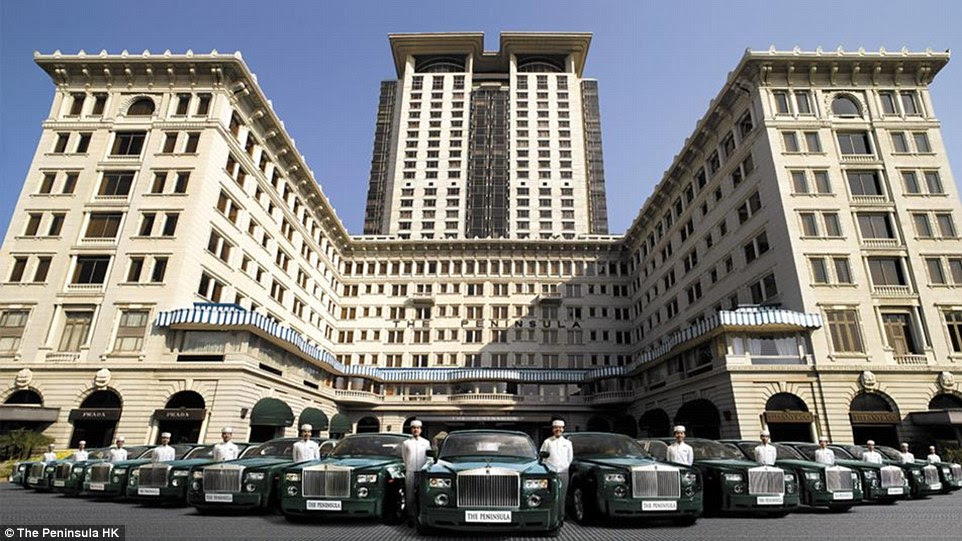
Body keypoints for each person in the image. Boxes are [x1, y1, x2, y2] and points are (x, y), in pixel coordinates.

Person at [540, 419, 573, 519]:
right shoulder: (547, 442)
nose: (558, 429)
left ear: (563, 429)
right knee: (550, 495)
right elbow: (542, 457)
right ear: (553, 429)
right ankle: (550, 516)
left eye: (560, 428)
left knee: (562, 495)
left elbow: (570, 458)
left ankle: (561, 516)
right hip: (550, 473)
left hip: (563, 472)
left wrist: (564, 466)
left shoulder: (567, 443)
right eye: (556, 428)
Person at [401, 420, 431, 522]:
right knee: (409, 495)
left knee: (422, 494)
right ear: (411, 429)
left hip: (422, 472)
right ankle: (410, 516)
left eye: (418, 428)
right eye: (414, 428)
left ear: (421, 430)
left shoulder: (426, 442)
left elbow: (429, 458)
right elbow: (404, 457)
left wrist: (425, 468)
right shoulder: (406, 443)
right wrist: (408, 467)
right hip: (410, 471)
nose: (416, 430)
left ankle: (421, 515)